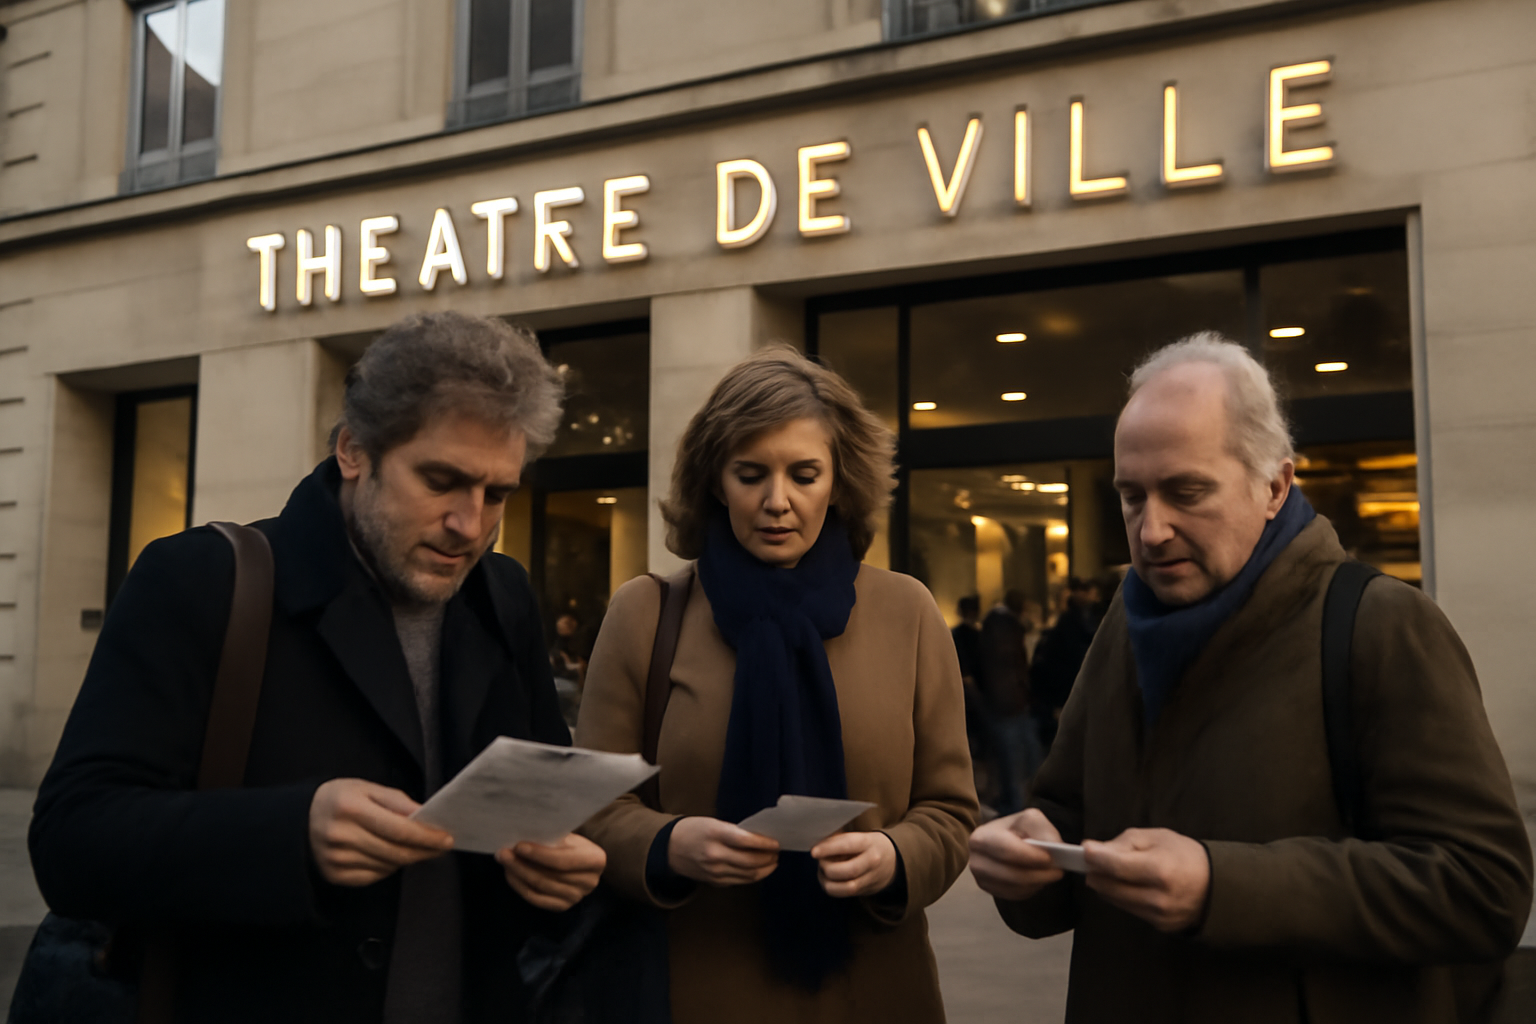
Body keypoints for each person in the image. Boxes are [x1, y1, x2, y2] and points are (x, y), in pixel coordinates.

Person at [27, 312, 608, 1024]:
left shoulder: (504, 596)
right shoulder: (203, 581)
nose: (470, 523)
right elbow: (70, 842)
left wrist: (559, 866)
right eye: (441, 480)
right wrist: (291, 830)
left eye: (498, 494)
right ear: (353, 451)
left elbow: (529, 814)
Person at [969, 333, 1533, 1023]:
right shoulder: (1124, 624)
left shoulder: (1379, 625)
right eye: (1131, 496)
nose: (1150, 531)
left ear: (1274, 485)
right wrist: (1026, 866)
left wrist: (1221, 886)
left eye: (1186, 492)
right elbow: (1069, 816)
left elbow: (1483, 888)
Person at [575, 348, 978, 1023]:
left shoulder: (907, 611)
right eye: (750, 474)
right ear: (714, 482)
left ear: (839, 482)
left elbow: (950, 812)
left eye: (805, 474)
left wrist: (892, 854)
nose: (777, 501)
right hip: (694, 987)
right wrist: (670, 845)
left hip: (876, 989)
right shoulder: (645, 613)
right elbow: (592, 810)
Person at [977, 588, 1041, 814]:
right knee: (1017, 763)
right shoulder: (1003, 627)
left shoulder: (997, 625)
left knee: (1019, 761)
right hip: (1009, 703)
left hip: (1010, 702)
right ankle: (1018, 810)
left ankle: (1019, 808)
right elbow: (1007, 664)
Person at [1028, 577, 1100, 752]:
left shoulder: (1073, 621)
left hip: (1068, 693)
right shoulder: (1074, 622)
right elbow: (1066, 661)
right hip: (1070, 692)